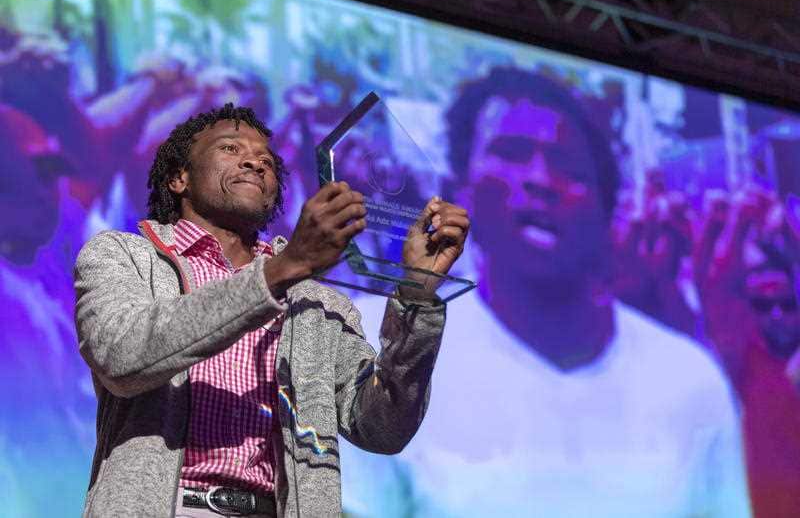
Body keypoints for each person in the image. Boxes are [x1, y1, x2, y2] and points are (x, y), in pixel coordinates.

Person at [346, 67, 751, 517]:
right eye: (512, 152)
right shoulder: (380, 344)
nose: (540, 179)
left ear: (606, 207)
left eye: (568, 165)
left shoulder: (689, 380)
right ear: (461, 188)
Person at [73, 103, 469, 517]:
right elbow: (121, 355)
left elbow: (382, 427)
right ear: (178, 178)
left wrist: (415, 293)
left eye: (266, 160)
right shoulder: (124, 256)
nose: (254, 162)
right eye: (229, 148)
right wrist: (281, 272)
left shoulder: (318, 303)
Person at [694, 187, 800, 517]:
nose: (777, 314)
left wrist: (791, 230)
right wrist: (738, 225)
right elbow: (716, 291)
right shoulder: (745, 361)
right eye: (763, 305)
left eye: (787, 304)